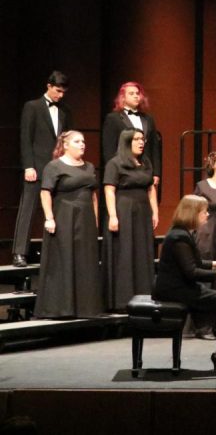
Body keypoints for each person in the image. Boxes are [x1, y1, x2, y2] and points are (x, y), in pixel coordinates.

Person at [153, 195, 216, 369]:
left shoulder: (183, 233)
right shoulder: (179, 237)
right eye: (204, 212)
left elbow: (196, 262)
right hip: (173, 289)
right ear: (192, 213)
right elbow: (192, 272)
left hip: (178, 286)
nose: (207, 215)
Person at [35, 130, 104, 318]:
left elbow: (93, 196)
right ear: (65, 145)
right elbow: (45, 192)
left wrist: (95, 219)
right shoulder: (54, 166)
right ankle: (61, 307)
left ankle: (85, 307)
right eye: (77, 141)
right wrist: (49, 217)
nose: (82, 144)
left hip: (86, 219)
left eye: (83, 141)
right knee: (64, 259)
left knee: (85, 261)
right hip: (64, 216)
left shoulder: (89, 167)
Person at [13, 71, 72, 268]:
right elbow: (25, 138)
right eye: (57, 91)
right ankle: (20, 253)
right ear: (48, 86)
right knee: (28, 208)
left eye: (63, 92)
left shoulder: (65, 111)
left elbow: (66, 140)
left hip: (57, 168)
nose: (60, 95)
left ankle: (55, 253)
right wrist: (28, 165)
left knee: (57, 210)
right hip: (36, 167)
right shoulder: (32, 107)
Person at [103, 128, 158, 311]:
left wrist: (155, 212)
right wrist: (112, 215)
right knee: (125, 251)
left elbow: (151, 188)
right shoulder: (115, 163)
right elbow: (109, 189)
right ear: (127, 142)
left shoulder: (145, 162)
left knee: (143, 252)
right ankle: (122, 300)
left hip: (143, 211)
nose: (141, 142)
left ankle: (144, 296)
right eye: (137, 139)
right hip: (124, 210)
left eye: (142, 139)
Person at [102, 81, 162, 189]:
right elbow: (109, 148)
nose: (136, 96)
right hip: (124, 168)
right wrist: (113, 171)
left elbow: (154, 147)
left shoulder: (148, 119)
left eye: (137, 93)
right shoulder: (113, 118)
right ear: (122, 97)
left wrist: (156, 172)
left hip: (145, 168)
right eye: (131, 93)